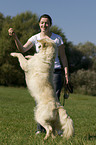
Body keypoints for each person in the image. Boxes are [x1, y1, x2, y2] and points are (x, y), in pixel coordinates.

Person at [8, 14, 69, 134]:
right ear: (39, 24)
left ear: (50, 24)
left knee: (54, 101)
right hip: (40, 73)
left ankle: (57, 128)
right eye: (42, 22)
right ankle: (40, 128)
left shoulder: (57, 39)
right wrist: (15, 37)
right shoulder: (35, 38)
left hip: (55, 72)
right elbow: (23, 49)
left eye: (46, 23)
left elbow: (63, 56)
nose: (44, 25)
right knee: (40, 100)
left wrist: (66, 74)